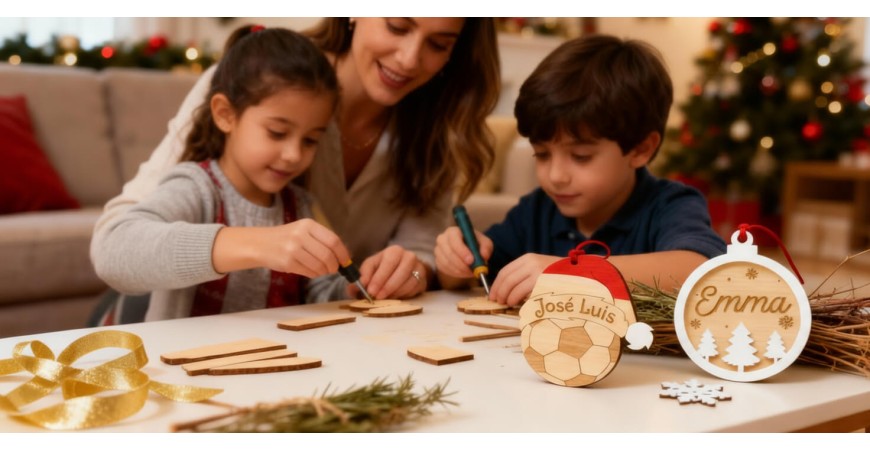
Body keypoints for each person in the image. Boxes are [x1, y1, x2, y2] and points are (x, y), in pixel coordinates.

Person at [91, 18, 500, 315]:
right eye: (396, 26)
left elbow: (331, 285)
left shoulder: (432, 131)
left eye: (439, 44)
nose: (410, 59)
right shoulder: (255, 78)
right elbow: (116, 245)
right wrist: (257, 243)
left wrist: (407, 271)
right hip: (154, 313)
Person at [434, 34, 726, 306]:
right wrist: (456, 262)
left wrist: (574, 272)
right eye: (542, 154)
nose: (556, 176)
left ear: (640, 149)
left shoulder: (670, 205)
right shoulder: (536, 212)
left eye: (581, 156)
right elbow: (469, 274)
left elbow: (702, 270)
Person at [93, 26, 356, 322]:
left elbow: (318, 292)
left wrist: (352, 290)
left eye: (310, 140)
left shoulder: (302, 206)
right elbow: (116, 251)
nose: (294, 154)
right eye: (277, 132)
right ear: (225, 114)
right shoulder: (196, 188)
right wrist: (259, 244)